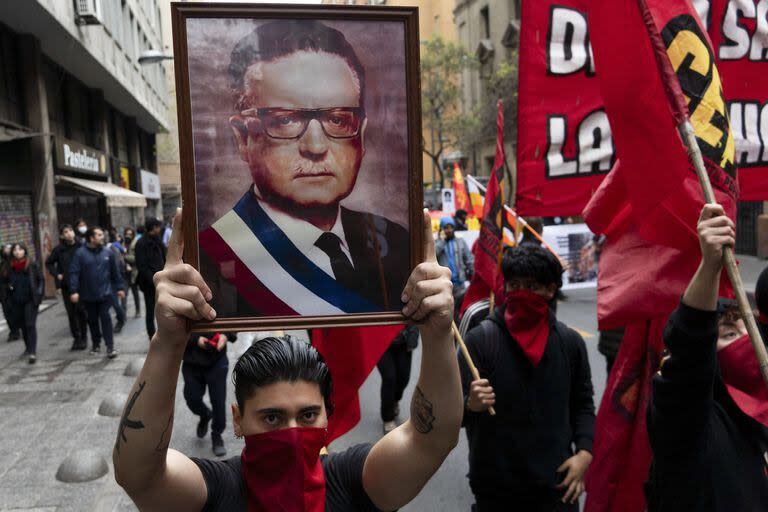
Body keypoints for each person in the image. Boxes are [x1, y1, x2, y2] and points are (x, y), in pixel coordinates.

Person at [113, 208, 462, 511]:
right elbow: (139, 474)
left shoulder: (355, 484)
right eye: (271, 418)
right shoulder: (216, 492)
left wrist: (437, 333)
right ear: (237, 420)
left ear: (328, 413)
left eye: (308, 415)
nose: (292, 434)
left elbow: (432, 438)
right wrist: (168, 342)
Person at [198, 20, 410, 318]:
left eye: (338, 119)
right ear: (243, 139)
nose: (316, 146)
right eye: (285, 120)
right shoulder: (208, 263)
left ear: (360, 136)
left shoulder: (396, 242)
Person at [646, 204, 768, 511]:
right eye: (722, 330)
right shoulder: (689, 423)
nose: (733, 324)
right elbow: (689, 354)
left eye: (740, 321)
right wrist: (710, 265)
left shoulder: (759, 415)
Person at [460, 245, 596, 511]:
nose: (522, 294)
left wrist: (584, 454)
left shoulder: (570, 344)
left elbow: (583, 405)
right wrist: (470, 404)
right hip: (495, 491)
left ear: (550, 290)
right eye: (515, 285)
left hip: (557, 488)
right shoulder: (481, 341)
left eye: (532, 286)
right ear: (505, 288)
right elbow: (450, 415)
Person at [69, 226, 125, 358]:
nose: (102, 237)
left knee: (106, 319)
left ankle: (110, 347)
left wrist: (120, 288)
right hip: (88, 294)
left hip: (106, 294)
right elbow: (74, 273)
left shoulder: (108, 253)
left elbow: (115, 272)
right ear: (91, 238)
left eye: (102, 234)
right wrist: (74, 290)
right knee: (92, 321)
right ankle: (96, 344)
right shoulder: (80, 254)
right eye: (99, 235)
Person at [182, 331, 237, 457]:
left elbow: (234, 318)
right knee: (192, 398)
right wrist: (195, 339)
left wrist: (226, 335)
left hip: (217, 358)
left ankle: (217, 435)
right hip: (192, 358)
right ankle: (205, 414)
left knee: (218, 401)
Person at [46, 224, 89, 350]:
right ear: (62, 235)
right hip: (67, 286)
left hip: (82, 285)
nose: (69, 233)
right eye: (66, 232)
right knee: (71, 313)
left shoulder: (82, 246)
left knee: (82, 312)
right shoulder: (59, 249)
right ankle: (76, 338)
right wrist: (57, 274)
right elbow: (49, 263)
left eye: (71, 230)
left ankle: (84, 338)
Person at [0, 243, 44, 363]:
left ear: (25, 251)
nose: (18, 252)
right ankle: (27, 347)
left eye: (20, 249)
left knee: (30, 324)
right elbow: (3, 283)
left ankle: (32, 352)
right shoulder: (8, 267)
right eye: (15, 250)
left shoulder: (32, 264)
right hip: (16, 301)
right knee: (23, 326)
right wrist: (8, 288)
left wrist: (39, 296)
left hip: (30, 300)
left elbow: (40, 280)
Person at [378, 325, 419, 433]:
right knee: (389, 378)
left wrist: (413, 337)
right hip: (380, 342)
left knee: (403, 378)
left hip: (403, 342)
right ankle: (388, 418)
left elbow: (415, 315)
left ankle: (394, 400)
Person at [436, 216, 473, 317]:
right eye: (446, 227)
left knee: (460, 311)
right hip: (444, 286)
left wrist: (473, 274)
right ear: (441, 229)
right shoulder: (437, 243)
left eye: (451, 227)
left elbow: (469, 260)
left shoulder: (460, 242)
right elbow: (433, 255)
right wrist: (442, 241)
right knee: (446, 313)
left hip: (459, 286)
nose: (449, 230)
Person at [135, 218, 166, 339]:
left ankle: (164, 334)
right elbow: (142, 266)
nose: (160, 229)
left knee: (163, 310)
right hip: (149, 285)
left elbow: (164, 258)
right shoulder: (141, 243)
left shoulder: (158, 240)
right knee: (150, 311)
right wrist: (154, 281)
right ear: (153, 228)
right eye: (158, 227)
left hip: (162, 283)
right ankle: (151, 335)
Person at [107, 234, 127, 334]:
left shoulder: (112, 249)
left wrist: (120, 286)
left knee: (115, 304)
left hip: (112, 282)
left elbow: (117, 268)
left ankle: (121, 319)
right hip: (100, 283)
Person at [0, 243, 21, 342]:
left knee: (14, 312)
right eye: (4, 249)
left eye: (8, 249)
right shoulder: (2, 264)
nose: (6, 250)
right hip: (4, 293)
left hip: (13, 291)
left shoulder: (15, 262)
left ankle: (16, 331)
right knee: (7, 313)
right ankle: (14, 331)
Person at [123, 227, 141, 318]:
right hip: (124, 273)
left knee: (135, 293)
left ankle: (138, 310)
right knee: (124, 293)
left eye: (130, 234)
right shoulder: (122, 244)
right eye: (127, 234)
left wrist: (125, 257)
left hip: (133, 272)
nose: (128, 236)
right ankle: (123, 313)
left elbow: (136, 258)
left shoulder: (136, 244)